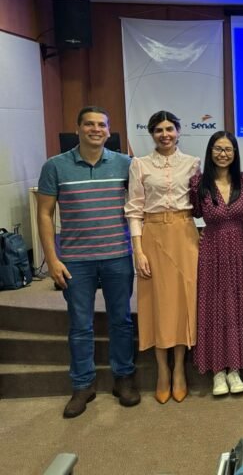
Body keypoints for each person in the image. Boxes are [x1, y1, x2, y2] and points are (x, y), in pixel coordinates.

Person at [37, 106, 140, 418]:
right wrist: (52, 260)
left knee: (121, 321)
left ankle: (123, 378)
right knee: (80, 325)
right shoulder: (55, 166)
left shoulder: (126, 164)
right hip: (75, 261)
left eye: (101, 125)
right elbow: (44, 214)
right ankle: (83, 385)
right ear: (78, 128)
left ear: (109, 131)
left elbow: (138, 207)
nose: (96, 129)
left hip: (118, 255)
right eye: (89, 124)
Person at [125, 110, 200, 404]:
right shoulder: (139, 165)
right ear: (152, 133)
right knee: (156, 302)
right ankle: (161, 371)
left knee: (183, 301)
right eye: (159, 130)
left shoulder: (193, 164)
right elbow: (133, 209)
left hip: (184, 234)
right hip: (153, 235)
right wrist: (138, 250)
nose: (165, 134)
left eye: (170, 129)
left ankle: (179, 368)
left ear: (179, 131)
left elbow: (199, 204)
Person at [191, 131, 243, 397]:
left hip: (240, 247)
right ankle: (218, 371)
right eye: (218, 149)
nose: (223, 154)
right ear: (210, 152)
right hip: (211, 249)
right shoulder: (198, 183)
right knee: (214, 304)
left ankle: (235, 369)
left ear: (235, 152)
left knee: (238, 304)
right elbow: (191, 214)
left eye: (228, 149)